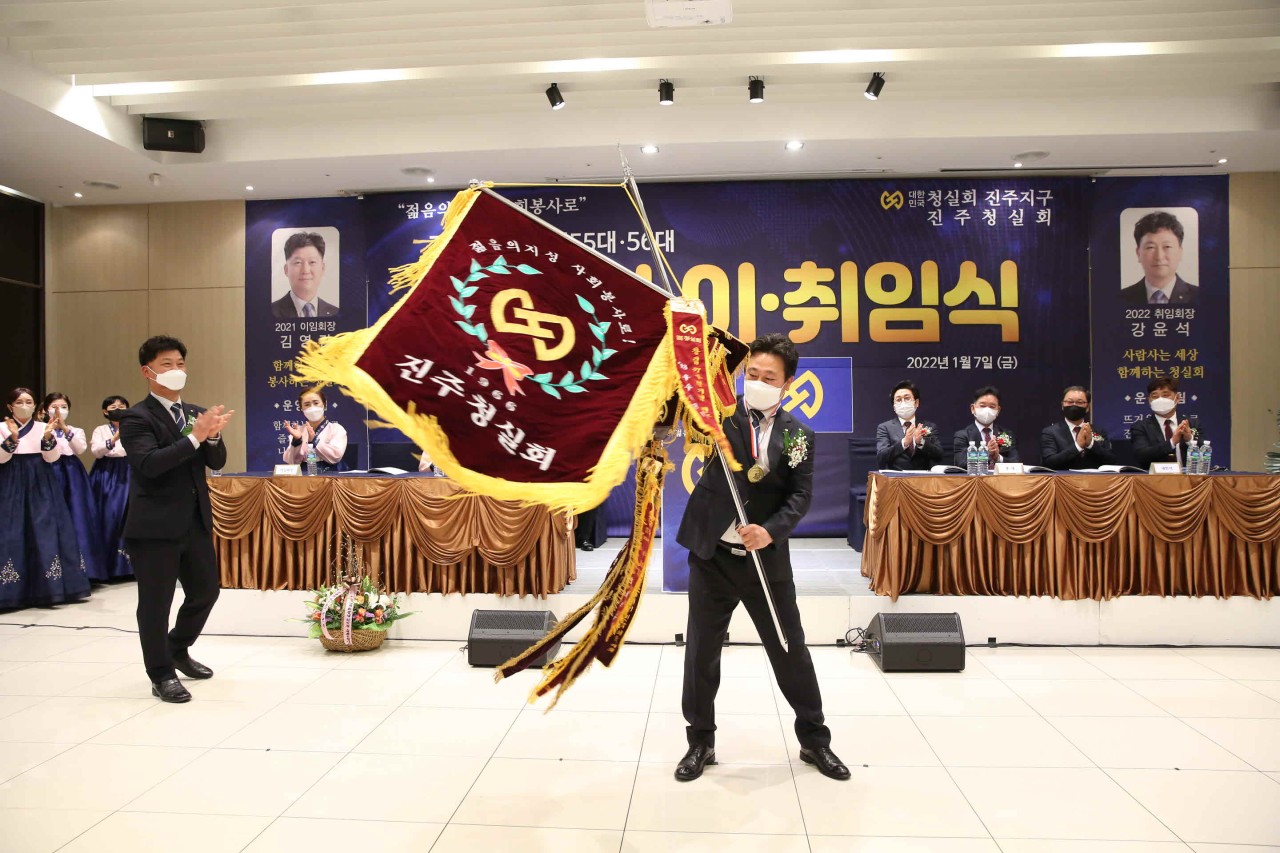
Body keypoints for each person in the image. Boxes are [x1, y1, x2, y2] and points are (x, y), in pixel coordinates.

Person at [675, 333, 849, 784]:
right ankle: (700, 741)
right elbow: (678, 412)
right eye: (751, 374)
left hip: (765, 560)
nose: (757, 382)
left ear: (787, 383)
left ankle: (815, 740)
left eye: (768, 377)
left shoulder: (798, 435)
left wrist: (769, 530)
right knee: (701, 653)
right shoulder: (717, 415)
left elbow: (800, 495)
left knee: (790, 650)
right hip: (713, 556)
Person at [116, 336, 234, 703]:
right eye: (166, 364)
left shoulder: (195, 413)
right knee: (156, 604)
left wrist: (212, 437)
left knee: (206, 592)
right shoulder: (136, 417)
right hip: (154, 526)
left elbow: (216, 461)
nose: (176, 370)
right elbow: (149, 464)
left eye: (180, 363)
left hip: (194, 522)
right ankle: (161, 673)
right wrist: (195, 438)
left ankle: (177, 648)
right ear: (147, 371)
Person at [0, 387, 91, 609]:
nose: (24, 406)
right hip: (10, 480)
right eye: (19, 402)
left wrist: (49, 437)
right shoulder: (2, 427)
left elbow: (52, 457)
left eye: (29, 402)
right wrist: (12, 438)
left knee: (45, 529)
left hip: (41, 481)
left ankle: (49, 588)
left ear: (35, 406)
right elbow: (1, 458)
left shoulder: (43, 427)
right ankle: (11, 591)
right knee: (11, 530)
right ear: (10, 406)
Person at [42, 393, 108, 583]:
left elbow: (80, 449)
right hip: (47, 470)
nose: (59, 410)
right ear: (45, 409)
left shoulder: (76, 430)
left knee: (77, 516)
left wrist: (64, 428)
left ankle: (83, 570)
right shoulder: (41, 429)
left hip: (71, 473)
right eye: (54, 406)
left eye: (63, 406)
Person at [89, 395, 134, 580]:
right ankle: (107, 567)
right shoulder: (100, 430)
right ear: (105, 411)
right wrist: (114, 439)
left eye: (122, 406)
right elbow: (97, 451)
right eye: (113, 407)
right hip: (106, 474)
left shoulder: (134, 427)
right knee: (109, 515)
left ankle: (130, 566)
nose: (118, 409)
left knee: (130, 515)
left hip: (130, 471)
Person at [1120, 211, 1199, 305]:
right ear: (1138, 253)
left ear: (1180, 252)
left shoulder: (1201, 297)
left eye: (1167, 246)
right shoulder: (1121, 298)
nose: (1159, 256)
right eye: (1150, 247)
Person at [1130, 375, 1202, 469]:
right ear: (1149, 400)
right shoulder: (1140, 427)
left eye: (1165, 395)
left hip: (1187, 476)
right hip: (1155, 477)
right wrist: (1172, 442)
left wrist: (1189, 439)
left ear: (1177, 398)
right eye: (1155, 396)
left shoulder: (1192, 424)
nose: (1160, 399)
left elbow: (1205, 453)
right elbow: (1141, 455)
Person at [1039, 385, 1117, 470]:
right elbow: (1049, 463)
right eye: (1069, 402)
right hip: (1064, 478)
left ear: (1087, 407)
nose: (1074, 405)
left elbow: (1112, 461)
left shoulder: (1099, 431)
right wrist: (1078, 446)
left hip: (1094, 478)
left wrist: (1091, 444)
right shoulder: (1050, 432)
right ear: (1062, 405)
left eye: (1079, 402)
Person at [875, 380, 943, 471]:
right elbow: (881, 457)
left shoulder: (929, 426)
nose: (903, 403)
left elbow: (939, 456)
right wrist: (904, 443)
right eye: (898, 400)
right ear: (894, 407)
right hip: (896, 478)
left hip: (923, 478)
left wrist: (921, 442)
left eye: (907, 398)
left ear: (916, 403)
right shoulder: (885, 428)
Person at [271, 231, 338, 318]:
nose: (305, 270)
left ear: (322, 268)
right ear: (286, 269)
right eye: (298, 262)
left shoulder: (335, 313)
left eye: (312, 262)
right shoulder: (271, 312)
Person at [282, 387, 348, 472]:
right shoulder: (298, 431)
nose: (312, 407)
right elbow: (292, 462)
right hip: (303, 475)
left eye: (316, 403)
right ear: (301, 408)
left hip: (328, 475)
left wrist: (315, 440)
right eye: (307, 404)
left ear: (324, 404)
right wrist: (297, 441)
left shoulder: (336, 429)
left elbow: (336, 456)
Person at [952, 385, 1019, 468]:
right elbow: (961, 463)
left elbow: (1015, 462)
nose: (987, 410)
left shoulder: (1006, 435)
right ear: (973, 408)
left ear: (998, 410)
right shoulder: (962, 436)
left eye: (992, 407)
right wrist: (986, 453)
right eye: (982, 406)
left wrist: (997, 458)